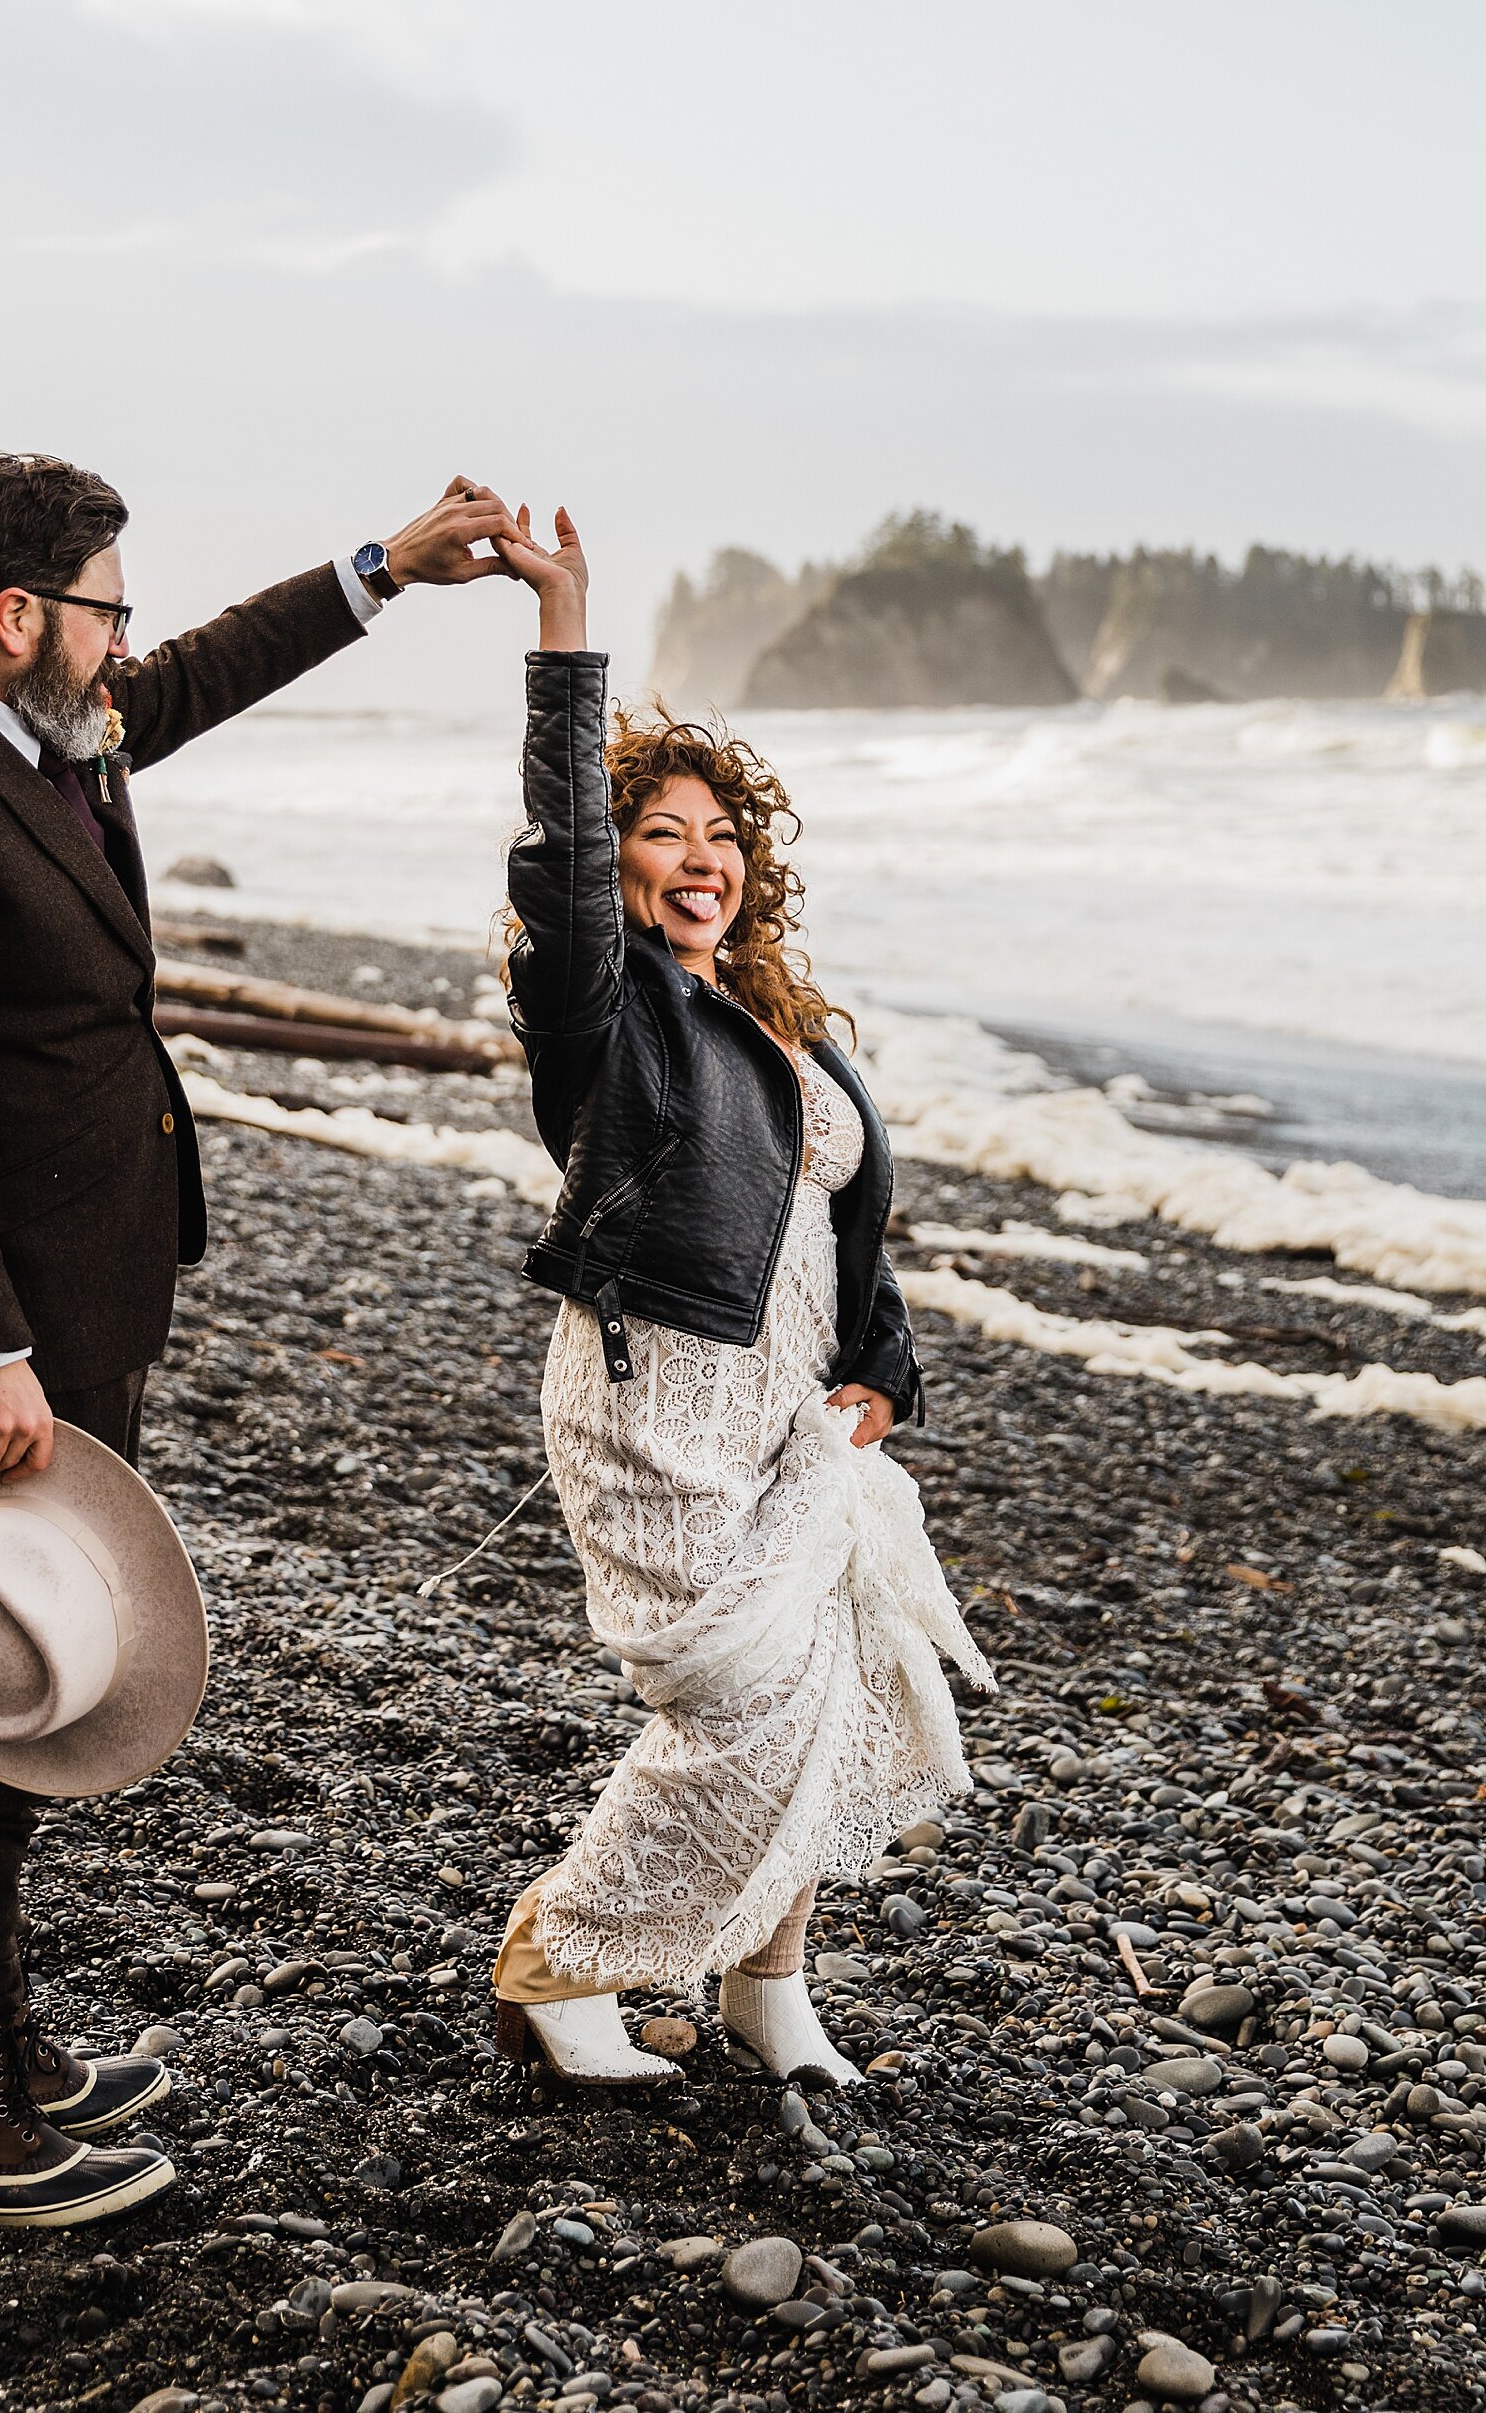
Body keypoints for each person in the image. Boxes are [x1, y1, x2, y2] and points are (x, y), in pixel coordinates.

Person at [0, 447, 518, 2222]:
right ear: (19, 612)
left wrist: (385, 567)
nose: (129, 641)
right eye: (108, 606)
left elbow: (193, 675)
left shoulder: (41, 734)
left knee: (15, 1673)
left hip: (69, 1300)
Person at [487, 504, 995, 2087]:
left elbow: (854, 1217)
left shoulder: (780, 1024)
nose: (698, 860)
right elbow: (566, 867)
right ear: (616, 863)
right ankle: (558, 1957)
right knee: (743, 1693)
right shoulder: (601, 1012)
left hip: (793, 1403)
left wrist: (882, 1367)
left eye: (722, 839)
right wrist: (568, 625)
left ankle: (771, 1989)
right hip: (659, 1397)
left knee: (837, 1682)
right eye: (663, 835)